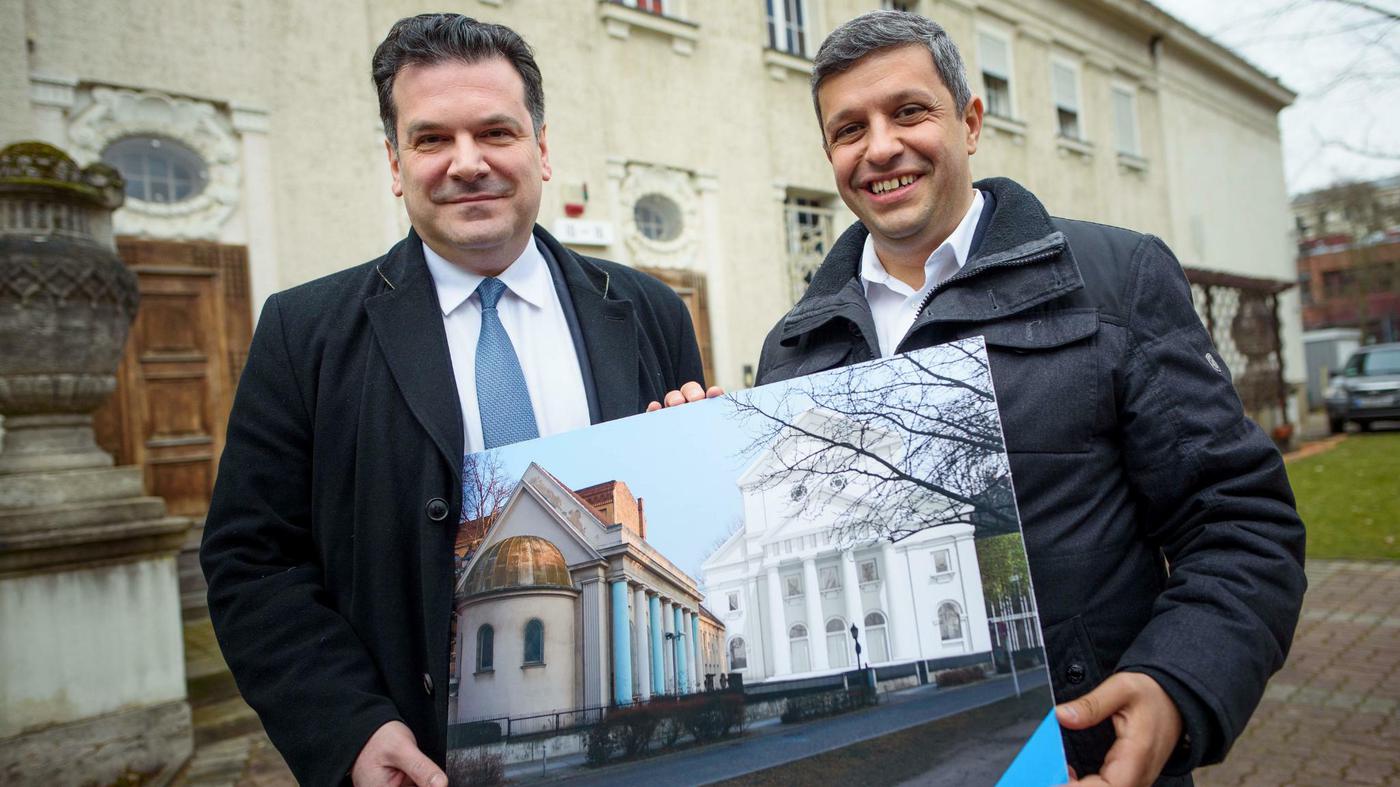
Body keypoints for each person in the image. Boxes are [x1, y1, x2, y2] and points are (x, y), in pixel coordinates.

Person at [755, 11, 1306, 786]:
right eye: (850, 129)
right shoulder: (793, 347)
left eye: (910, 111)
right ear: (830, 154)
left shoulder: (1115, 278)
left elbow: (1241, 522)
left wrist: (1176, 685)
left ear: (971, 122)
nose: (880, 147)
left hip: (1086, 762)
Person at [201, 14, 716, 786]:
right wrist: (347, 728)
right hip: (416, 764)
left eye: (496, 132)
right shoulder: (301, 333)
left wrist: (690, 432)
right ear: (395, 161)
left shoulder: (649, 312)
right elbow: (253, 562)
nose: (467, 163)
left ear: (541, 149)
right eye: (432, 138)